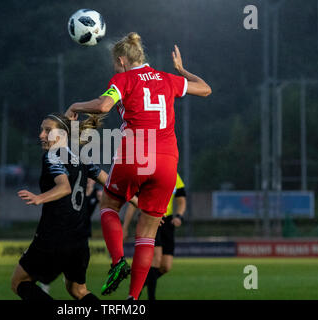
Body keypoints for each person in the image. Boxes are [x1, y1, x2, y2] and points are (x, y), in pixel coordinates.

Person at [65, 32, 211, 299]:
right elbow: (205, 89)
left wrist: (75, 105)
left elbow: (103, 105)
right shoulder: (168, 78)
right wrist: (181, 69)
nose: (114, 68)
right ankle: (133, 300)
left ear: (121, 60)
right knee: (148, 232)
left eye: (114, 64)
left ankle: (118, 261)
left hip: (136, 154)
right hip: (168, 161)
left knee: (109, 205)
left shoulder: (123, 79)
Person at [11, 113, 137, 301]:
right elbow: (108, 181)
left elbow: (64, 187)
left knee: (19, 283)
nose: (41, 135)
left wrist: (40, 198)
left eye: (47, 130)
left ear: (61, 134)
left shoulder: (52, 156)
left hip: (54, 236)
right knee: (78, 291)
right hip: (79, 239)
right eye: (41, 130)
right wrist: (140, 203)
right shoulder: (81, 157)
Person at [123, 173, 186, 300]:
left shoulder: (175, 176)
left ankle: (136, 289)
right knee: (155, 261)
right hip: (149, 217)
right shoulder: (148, 174)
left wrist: (179, 216)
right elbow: (132, 204)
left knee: (165, 266)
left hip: (167, 222)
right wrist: (124, 227)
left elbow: (181, 200)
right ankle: (151, 298)